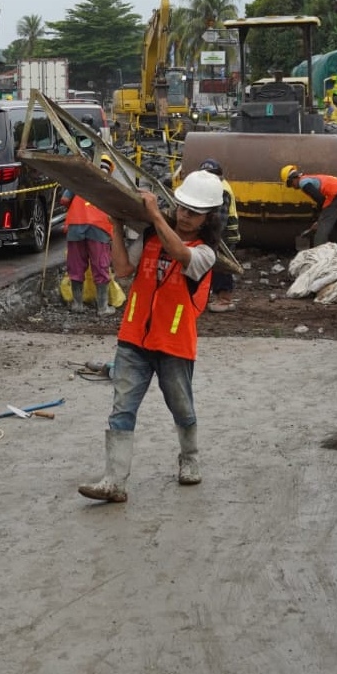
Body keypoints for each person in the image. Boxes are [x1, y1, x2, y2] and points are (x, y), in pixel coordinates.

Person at [78, 170, 223, 503]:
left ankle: (190, 459)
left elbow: (182, 255)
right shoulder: (152, 238)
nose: (185, 215)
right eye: (182, 208)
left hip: (173, 343)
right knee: (122, 408)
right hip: (134, 339)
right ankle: (114, 481)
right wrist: (115, 227)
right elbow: (124, 270)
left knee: (182, 408)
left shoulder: (205, 253)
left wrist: (156, 214)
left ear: (207, 218)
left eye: (194, 212)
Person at [60, 156, 117, 316]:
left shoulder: (78, 181)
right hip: (99, 227)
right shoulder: (110, 185)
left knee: (76, 266)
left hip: (76, 225)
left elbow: (64, 200)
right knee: (100, 266)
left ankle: (78, 304)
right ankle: (102, 308)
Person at [199, 158, 239, 313]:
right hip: (221, 233)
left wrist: (208, 236)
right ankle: (216, 296)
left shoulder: (221, 190)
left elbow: (220, 221)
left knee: (221, 265)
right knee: (214, 264)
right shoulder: (217, 187)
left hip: (225, 235)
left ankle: (224, 299)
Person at [281, 164, 337, 248]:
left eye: (290, 184)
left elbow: (320, 198)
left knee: (323, 227)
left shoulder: (303, 183)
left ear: (293, 178)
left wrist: (320, 219)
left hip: (336, 194)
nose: (292, 187)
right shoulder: (310, 178)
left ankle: (318, 253)